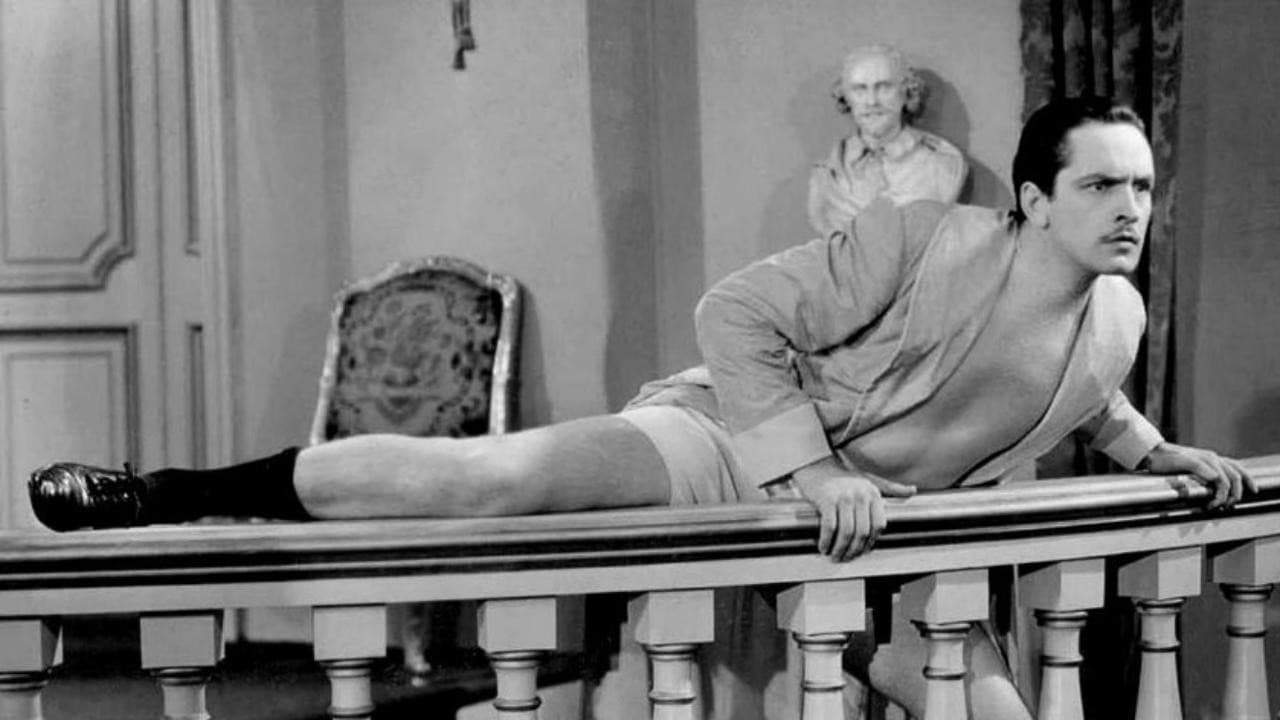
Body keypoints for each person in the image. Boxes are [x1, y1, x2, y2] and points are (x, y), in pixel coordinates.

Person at [30, 97, 1252, 719]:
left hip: (880, 541)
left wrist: (1157, 450)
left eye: (1141, 188)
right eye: (1101, 185)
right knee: (492, 481)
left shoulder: (1116, 314)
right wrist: (805, 467)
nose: (1129, 209)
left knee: (995, 711)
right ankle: (167, 491)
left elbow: (1084, 394)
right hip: (740, 444)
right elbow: (734, 313)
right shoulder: (919, 234)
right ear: (1032, 199)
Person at [808, 44, 967, 238]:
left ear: (906, 92)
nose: (871, 101)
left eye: (883, 87)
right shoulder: (829, 173)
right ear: (846, 97)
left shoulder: (941, 163)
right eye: (859, 89)